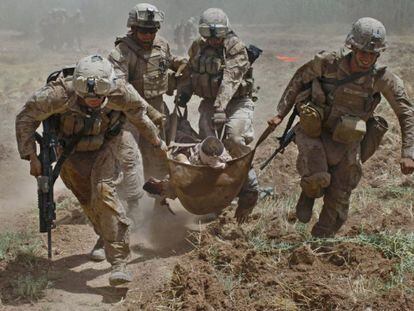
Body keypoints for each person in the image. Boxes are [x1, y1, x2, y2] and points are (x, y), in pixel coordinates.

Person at [15, 54, 166, 286]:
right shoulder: (57, 94)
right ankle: (105, 236)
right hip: (71, 152)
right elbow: (26, 117)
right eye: (86, 95)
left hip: (107, 144)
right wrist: (31, 156)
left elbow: (140, 116)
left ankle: (119, 263)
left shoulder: (120, 91)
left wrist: (157, 144)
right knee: (88, 200)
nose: (93, 100)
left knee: (104, 192)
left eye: (99, 94)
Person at [267, 17, 414, 238]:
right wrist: (280, 113)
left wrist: (408, 152)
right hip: (314, 133)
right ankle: (308, 193)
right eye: (362, 51)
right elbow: (299, 79)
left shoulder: (382, 78)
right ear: (352, 47)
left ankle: (321, 242)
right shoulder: (327, 63)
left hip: (347, 140)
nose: (366, 58)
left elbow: (406, 112)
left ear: (379, 54)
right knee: (317, 178)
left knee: (340, 194)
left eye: (372, 54)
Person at [176, 8, 259, 224]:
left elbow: (231, 79)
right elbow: (189, 71)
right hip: (210, 104)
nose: (212, 39)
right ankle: (215, 200)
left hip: (237, 103)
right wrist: (183, 92)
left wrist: (221, 108)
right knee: (209, 147)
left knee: (233, 138)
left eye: (217, 34)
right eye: (208, 34)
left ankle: (249, 187)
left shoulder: (236, 48)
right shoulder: (198, 46)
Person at [108, 3, 188, 210]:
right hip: (129, 115)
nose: (148, 35)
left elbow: (167, 61)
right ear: (133, 28)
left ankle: (159, 204)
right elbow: (121, 87)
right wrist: (149, 110)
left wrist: (181, 63)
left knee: (159, 159)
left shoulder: (161, 44)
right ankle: (131, 207)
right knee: (129, 158)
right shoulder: (122, 52)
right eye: (143, 30)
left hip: (158, 109)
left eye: (152, 30)